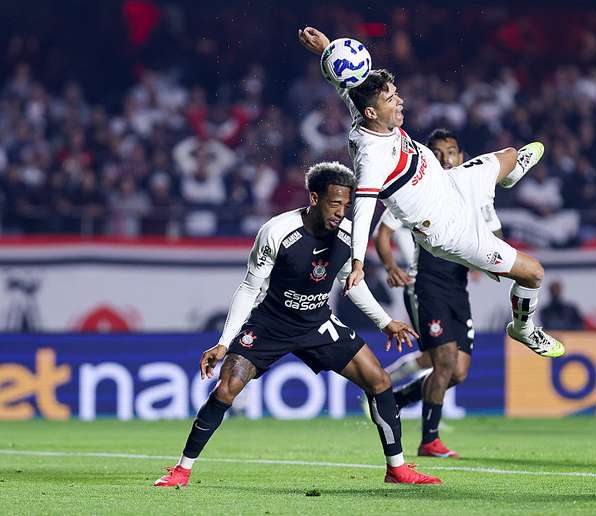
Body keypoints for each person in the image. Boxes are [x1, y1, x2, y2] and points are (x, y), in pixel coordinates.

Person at [153, 162, 441, 487]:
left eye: (347, 205)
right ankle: (182, 470)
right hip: (269, 324)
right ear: (315, 198)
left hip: (318, 321)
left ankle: (397, 469)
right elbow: (249, 288)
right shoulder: (277, 232)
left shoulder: (348, 236)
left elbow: (352, 283)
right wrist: (224, 341)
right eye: (335, 204)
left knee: (379, 381)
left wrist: (385, 321)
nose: (341, 212)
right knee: (227, 387)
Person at [298, 27, 565, 359]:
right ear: (372, 113)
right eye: (391, 99)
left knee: (511, 155)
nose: (400, 101)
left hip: (452, 184)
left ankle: (504, 178)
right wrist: (357, 262)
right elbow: (363, 209)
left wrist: (326, 49)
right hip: (452, 231)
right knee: (534, 273)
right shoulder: (372, 157)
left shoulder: (369, 116)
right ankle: (523, 329)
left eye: (396, 94)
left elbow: (350, 90)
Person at [375, 129, 503, 458]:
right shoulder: (418, 188)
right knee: (442, 360)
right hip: (426, 284)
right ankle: (429, 440)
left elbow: (496, 239)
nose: (445, 157)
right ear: (429, 157)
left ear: (462, 156)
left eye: (451, 151)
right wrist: (391, 266)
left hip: (457, 289)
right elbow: (383, 232)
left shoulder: (475, 192)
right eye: (437, 151)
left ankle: (397, 399)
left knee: (457, 372)